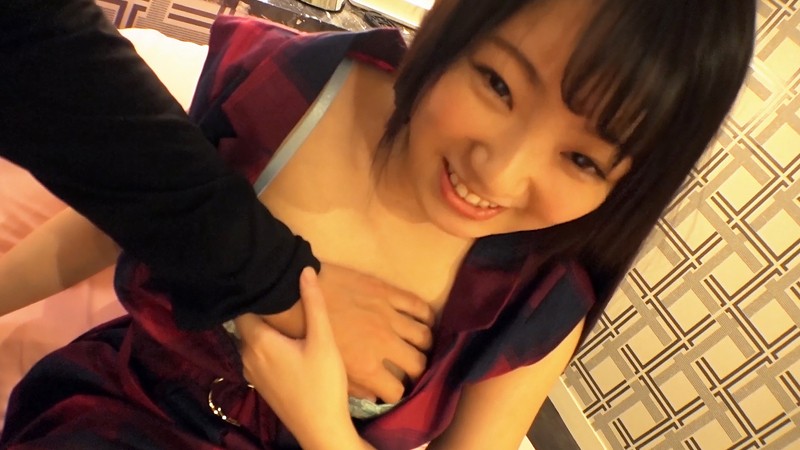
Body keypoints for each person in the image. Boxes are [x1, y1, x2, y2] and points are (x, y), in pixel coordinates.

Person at [0, 0, 755, 449]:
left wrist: (324, 426)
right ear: (451, 25)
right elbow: (123, 215)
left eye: (584, 159)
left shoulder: (538, 303)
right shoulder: (292, 90)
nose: (499, 173)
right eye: (497, 84)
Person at [0, 0, 433, 403]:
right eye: (478, 78)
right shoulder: (295, 84)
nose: (480, 167)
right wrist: (281, 284)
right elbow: (133, 201)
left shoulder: (484, 284)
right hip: (109, 409)